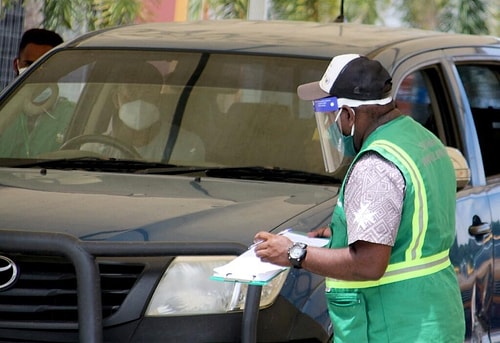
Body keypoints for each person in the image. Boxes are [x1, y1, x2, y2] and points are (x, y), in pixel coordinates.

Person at [254, 54, 465, 342]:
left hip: (390, 326)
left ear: (350, 115)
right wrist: (340, 233)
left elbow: (368, 264)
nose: (330, 128)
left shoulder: (375, 164)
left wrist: (294, 253)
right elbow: (413, 224)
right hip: (433, 319)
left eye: (333, 117)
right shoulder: (422, 140)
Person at [81, 63, 205, 163]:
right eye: (132, 94)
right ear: (116, 100)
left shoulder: (187, 146)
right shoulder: (93, 151)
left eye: (148, 94)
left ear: (159, 101)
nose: (139, 103)